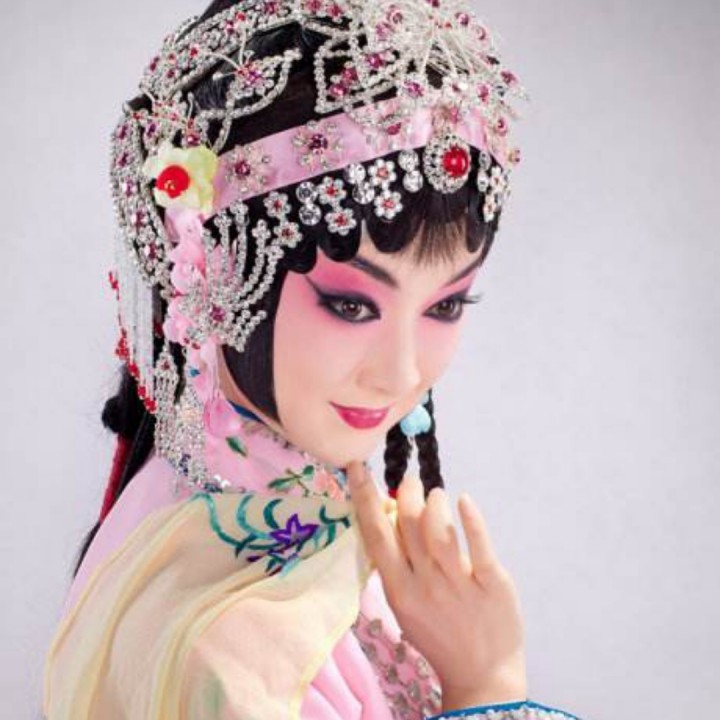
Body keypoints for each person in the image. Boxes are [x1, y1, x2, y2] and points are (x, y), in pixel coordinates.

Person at [43, 1, 584, 718]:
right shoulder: (243, 658)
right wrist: (487, 686)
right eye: (351, 306)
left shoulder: (197, 505)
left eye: (446, 305)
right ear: (213, 271)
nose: (401, 374)